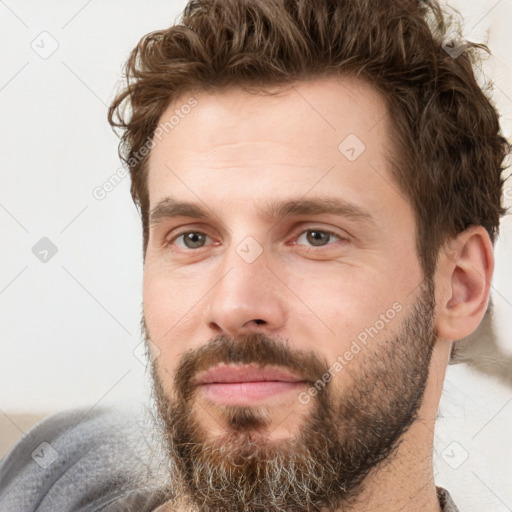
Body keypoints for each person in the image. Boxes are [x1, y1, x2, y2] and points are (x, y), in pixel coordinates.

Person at [0, 0, 508, 510]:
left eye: (315, 237)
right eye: (193, 238)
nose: (234, 306)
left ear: (460, 286)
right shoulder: (54, 475)